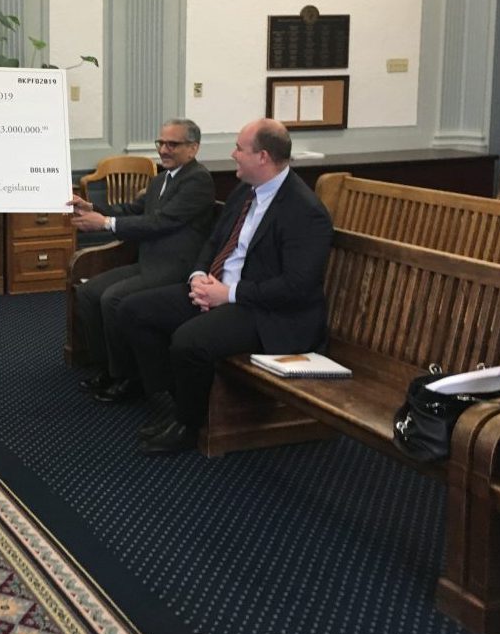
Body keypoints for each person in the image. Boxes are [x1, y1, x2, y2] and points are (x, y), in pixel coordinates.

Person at [118, 118, 334, 455]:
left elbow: (296, 286)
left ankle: (189, 425)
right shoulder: (245, 190)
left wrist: (228, 294)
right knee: (134, 310)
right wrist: (198, 276)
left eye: (239, 148)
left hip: (268, 312)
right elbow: (215, 241)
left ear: (262, 157)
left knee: (188, 340)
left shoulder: (305, 211)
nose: (233, 154)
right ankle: (178, 400)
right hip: (221, 290)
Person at [68, 118, 216, 403]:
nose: (164, 149)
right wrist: (93, 207)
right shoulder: (160, 179)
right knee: (88, 292)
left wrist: (105, 223)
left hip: (176, 268)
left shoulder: (198, 180)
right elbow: (132, 211)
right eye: (161, 143)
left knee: (112, 298)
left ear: (193, 148)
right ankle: (109, 368)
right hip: (149, 263)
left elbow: (162, 222)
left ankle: (130, 378)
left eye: (172, 144)